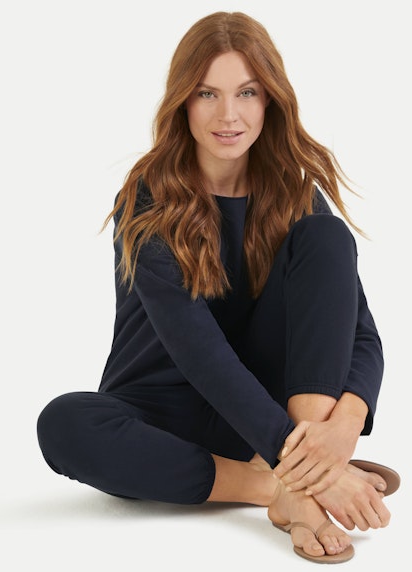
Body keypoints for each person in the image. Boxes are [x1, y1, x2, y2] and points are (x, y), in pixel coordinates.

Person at [37, 11, 400, 564]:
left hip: (265, 419)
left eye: (246, 92)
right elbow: (200, 354)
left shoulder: (296, 195)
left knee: (326, 237)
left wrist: (342, 431)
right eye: (207, 93)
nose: (228, 115)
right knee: (64, 424)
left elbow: (361, 336)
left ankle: (299, 477)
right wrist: (302, 468)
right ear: (183, 102)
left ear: (270, 100)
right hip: (165, 413)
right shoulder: (148, 197)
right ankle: (283, 488)